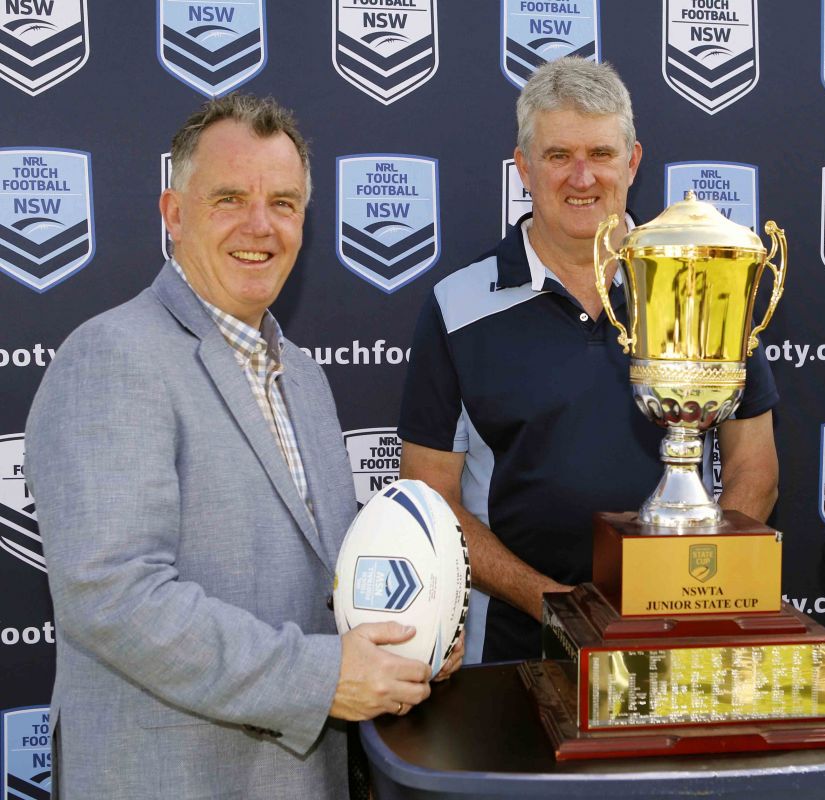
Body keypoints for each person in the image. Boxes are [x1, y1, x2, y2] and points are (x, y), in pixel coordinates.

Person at [25, 94, 457, 799]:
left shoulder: (305, 377)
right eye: (230, 198)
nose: (261, 226)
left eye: (283, 204)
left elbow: (326, 586)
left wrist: (413, 636)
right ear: (173, 214)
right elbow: (112, 594)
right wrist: (323, 677)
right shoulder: (110, 357)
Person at [397, 57, 780, 663]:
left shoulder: (699, 282)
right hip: (515, 651)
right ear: (523, 168)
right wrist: (554, 604)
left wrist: (684, 588)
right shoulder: (456, 305)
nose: (582, 177)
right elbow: (428, 492)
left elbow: (754, 466)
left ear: (632, 162)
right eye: (557, 156)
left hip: (681, 640)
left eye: (601, 153)